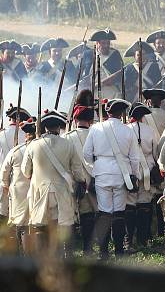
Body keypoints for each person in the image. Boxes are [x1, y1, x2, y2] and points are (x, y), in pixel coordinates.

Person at [23, 110, 86, 254]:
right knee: (64, 227)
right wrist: (81, 182)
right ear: (59, 127)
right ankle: (66, 260)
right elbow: (77, 171)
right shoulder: (68, 145)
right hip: (62, 193)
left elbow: (26, 172)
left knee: (41, 227)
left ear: (45, 127)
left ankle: (43, 260)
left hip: (40, 193)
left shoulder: (33, 145)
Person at [83, 99, 140, 258]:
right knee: (119, 213)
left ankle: (103, 251)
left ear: (107, 112)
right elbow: (134, 158)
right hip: (121, 175)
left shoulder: (95, 128)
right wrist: (133, 175)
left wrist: (97, 165)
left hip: (102, 174)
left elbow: (87, 154)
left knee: (104, 213)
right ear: (121, 113)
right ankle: (119, 251)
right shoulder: (128, 131)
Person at [62, 104, 96, 256]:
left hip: (73, 181)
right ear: (91, 120)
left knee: (69, 216)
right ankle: (87, 248)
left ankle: (69, 250)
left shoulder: (67, 137)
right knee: (88, 215)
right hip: (94, 179)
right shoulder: (98, 134)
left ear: (75, 120)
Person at [0, 105, 30, 223]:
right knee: (21, 220)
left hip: (0, 185)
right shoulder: (27, 136)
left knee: (1, 219)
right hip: (21, 185)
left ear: (10, 119)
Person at [1, 118, 37, 254]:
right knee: (32, 224)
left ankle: (20, 254)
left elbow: (4, 172)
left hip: (18, 192)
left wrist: (6, 185)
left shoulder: (16, 151)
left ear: (26, 135)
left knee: (20, 224)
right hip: (36, 190)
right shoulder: (41, 148)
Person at [126, 103, 159, 250]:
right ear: (143, 116)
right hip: (147, 170)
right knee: (144, 205)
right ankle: (143, 240)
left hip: (131, 171)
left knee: (130, 205)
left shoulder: (125, 130)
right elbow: (156, 152)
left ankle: (129, 240)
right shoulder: (150, 130)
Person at [91, 29, 124, 99]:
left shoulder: (114, 54)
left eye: (108, 43)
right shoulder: (89, 54)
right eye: (103, 43)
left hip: (111, 90)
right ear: (97, 43)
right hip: (93, 90)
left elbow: (120, 74)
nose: (106, 46)